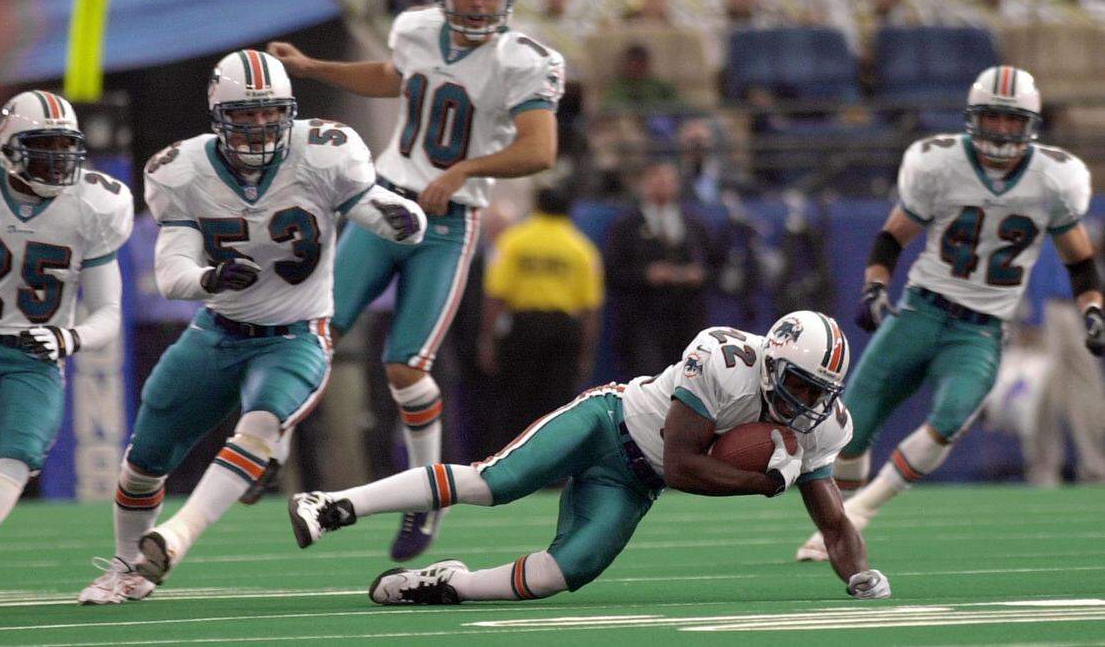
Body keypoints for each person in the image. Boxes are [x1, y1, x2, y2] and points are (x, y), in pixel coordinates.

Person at [76, 49, 426, 604]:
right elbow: (171, 274)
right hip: (217, 330)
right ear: (219, 115)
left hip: (295, 335)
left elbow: (372, 205)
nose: (261, 126)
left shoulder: (323, 152)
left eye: (271, 113)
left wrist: (400, 216)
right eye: (246, 114)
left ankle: (176, 536)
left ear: (289, 111)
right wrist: (209, 279)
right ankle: (125, 567)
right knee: (143, 463)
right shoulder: (181, 170)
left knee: (260, 426)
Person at [264, 0, 564, 561]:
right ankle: (268, 445)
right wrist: (314, 68)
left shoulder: (524, 59)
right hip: (385, 199)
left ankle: (425, 500)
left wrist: (464, 170)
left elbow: (540, 149)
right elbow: (393, 79)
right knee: (316, 330)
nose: (478, 4)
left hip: (450, 221)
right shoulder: (416, 30)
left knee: (405, 366)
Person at [287, 310, 890, 605]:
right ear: (772, 361)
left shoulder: (820, 425)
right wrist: (762, 483)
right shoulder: (725, 358)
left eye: (819, 392)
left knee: (559, 574)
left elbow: (835, 523)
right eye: (800, 385)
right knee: (492, 482)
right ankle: (336, 503)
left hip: (634, 482)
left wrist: (858, 576)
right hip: (607, 423)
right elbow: (683, 464)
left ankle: (450, 583)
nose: (806, 402)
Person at [796, 66, 1104, 561]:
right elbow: (892, 236)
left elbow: (1082, 262)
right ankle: (841, 526)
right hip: (922, 308)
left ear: (1030, 124)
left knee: (951, 417)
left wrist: (1093, 311)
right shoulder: (939, 163)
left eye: (1012, 120)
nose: (1002, 130)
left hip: (981, 328)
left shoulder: (1053, 177)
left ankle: (858, 515)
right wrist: (875, 286)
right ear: (973, 119)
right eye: (993, 118)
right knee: (849, 426)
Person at [0, 91, 133, 559]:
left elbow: (108, 312)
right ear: (10, 147)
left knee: (18, 458)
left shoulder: (95, 203)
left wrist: (68, 337)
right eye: (44, 147)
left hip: (31, 354)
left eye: (65, 148)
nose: (58, 161)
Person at [477, 187, 604, 454]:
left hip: (523, 328)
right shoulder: (581, 247)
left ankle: (510, 465)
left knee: (516, 401)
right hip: (564, 330)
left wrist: (487, 340)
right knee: (558, 405)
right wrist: (586, 352)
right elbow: (591, 308)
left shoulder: (514, 241)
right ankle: (555, 470)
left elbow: (495, 295)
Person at [605, 161, 715, 381]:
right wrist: (646, 275)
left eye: (668, 180)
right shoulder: (626, 225)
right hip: (643, 320)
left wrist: (698, 275)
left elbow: (714, 265)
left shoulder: (694, 224)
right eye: (657, 179)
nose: (663, 185)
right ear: (644, 184)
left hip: (685, 319)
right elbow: (612, 271)